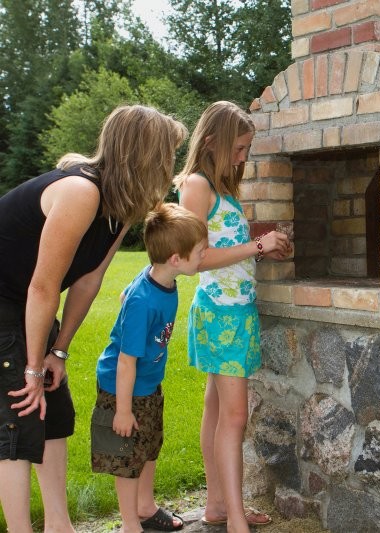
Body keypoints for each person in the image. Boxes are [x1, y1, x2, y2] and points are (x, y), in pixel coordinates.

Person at [0, 105, 187, 533]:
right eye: (168, 154)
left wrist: (58, 351)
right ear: (146, 156)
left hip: (23, 301)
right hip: (8, 299)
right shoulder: (81, 192)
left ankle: (59, 526)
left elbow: (88, 281)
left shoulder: (123, 206)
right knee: (18, 418)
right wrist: (31, 366)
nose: (171, 165)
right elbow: (43, 287)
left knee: (53, 410)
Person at [174, 101, 290, 532]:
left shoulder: (222, 189)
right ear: (212, 143)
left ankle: (218, 506)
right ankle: (235, 518)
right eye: (239, 148)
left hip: (235, 312)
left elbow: (226, 248)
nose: (244, 158)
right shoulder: (196, 187)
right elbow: (192, 260)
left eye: (246, 149)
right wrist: (257, 247)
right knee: (235, 416)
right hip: (220, 316)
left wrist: (261, 241)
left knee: (216, 410)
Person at [91, 203, 207, 533]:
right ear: (176, 258)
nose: (204, 255)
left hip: (148, 383)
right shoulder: (144, 301)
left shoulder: (162, 281)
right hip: (122, 388)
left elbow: (133, 288)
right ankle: (130, 525)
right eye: (200, 251)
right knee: (126, 457)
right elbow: (126, 362)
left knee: (150, 445)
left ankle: (145, 507)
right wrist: (123, 411)